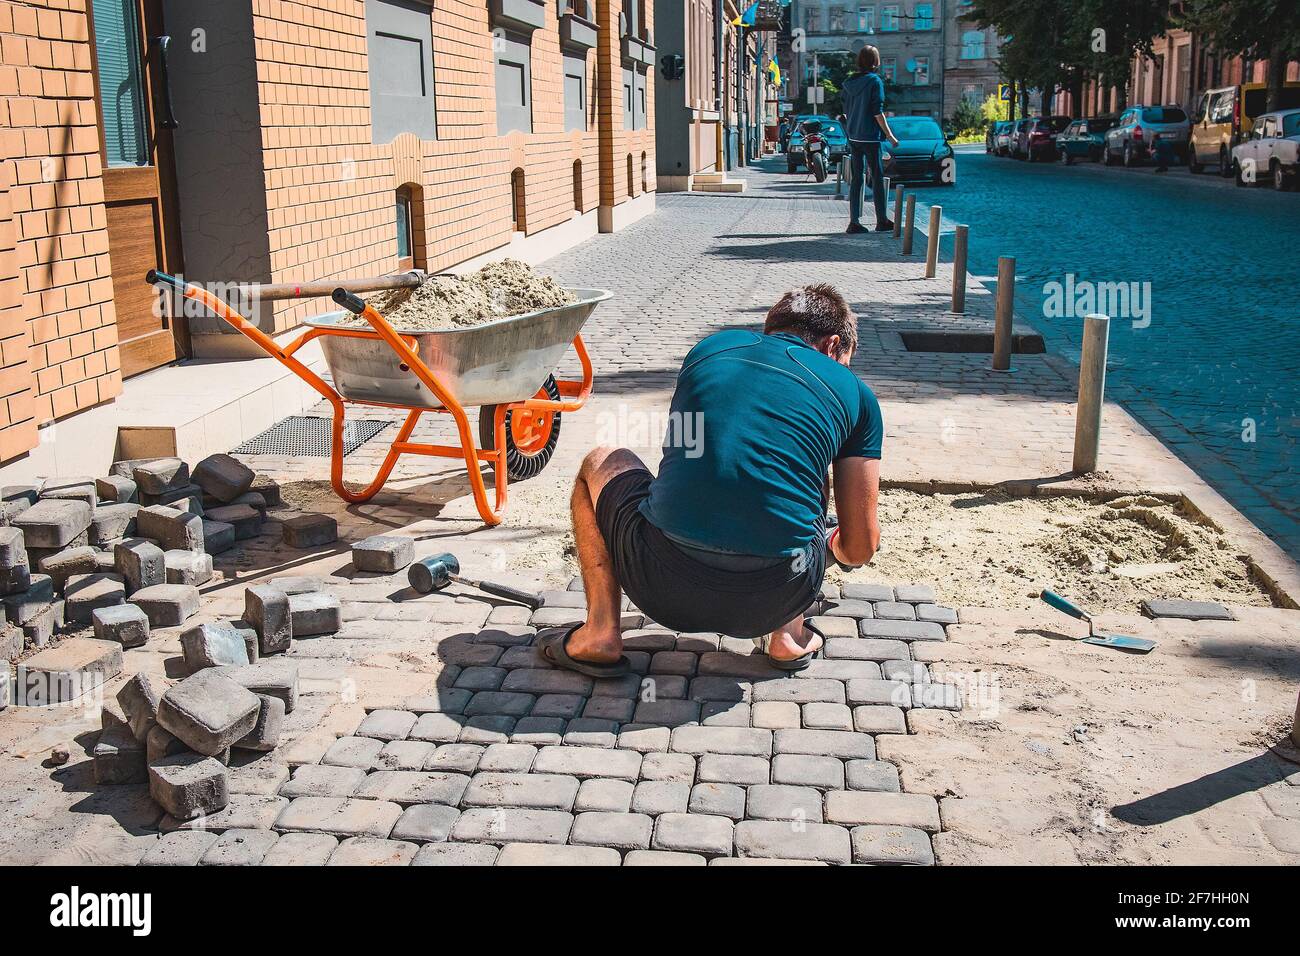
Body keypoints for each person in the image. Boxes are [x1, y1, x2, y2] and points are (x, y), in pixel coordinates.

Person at [540, 284, 883, 676]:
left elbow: (691, 452)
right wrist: (830, 545)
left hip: (659, 584)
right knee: (805, 474)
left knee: (602, 460)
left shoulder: (709, 349)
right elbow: (861, 549)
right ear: (832, 344)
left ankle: (599, 631)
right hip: (775, 595)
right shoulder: (858, 395)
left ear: (770, 330)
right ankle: (787, 634)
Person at [841, 45, 899, 234]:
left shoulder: (849, 83)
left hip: (854, 136)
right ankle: (881, 220)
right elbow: (877, 112)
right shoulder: (875, 81)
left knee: (857, 179)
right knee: (877, 178)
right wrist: (889, 135)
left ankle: (854, 222)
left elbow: (846, 111)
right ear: (875, 62)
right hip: (871, 137)